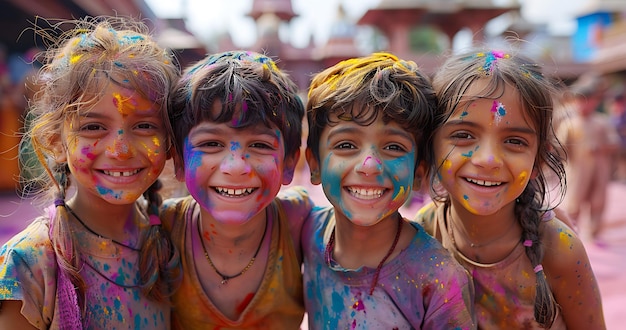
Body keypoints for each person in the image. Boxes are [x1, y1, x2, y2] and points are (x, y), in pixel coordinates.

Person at [0, 16, 181, 329]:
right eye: (93, 127)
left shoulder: (175, 238)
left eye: (144, 126)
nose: (120, 149)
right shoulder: (28, 263)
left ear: (169, 140)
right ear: (56, 141)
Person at [415, 49, 605, 329]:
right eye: (464, 135)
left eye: (514, 141)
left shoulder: (559, 249)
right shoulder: (424, 236)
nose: (488, 160)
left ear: (539, 159)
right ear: (430, 146)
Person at [302, 52, 476, 329]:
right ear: (315, 165)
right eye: (346, 145)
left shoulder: (439, 278)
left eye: (394, 147)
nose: (369, 166)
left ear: (419, 174)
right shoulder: (307, 232)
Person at [161, 50, 312, 329]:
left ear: (290, 163)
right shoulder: (163, 229)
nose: (235, 167)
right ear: (179, 162)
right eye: (211, 144)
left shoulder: (298, 222)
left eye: (260, 145)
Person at [557, 73, 620, 241]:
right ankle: (571, 236)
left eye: (587, 100)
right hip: (577, 171)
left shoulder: (602, 122)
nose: (582, 104)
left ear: (595, 102)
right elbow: (559, 146)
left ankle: (595, 235)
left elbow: (615, 143)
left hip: (599, 170)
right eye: (579, 100)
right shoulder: (569, 124)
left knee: (597, 203)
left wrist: (602, 148)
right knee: (573, 205)